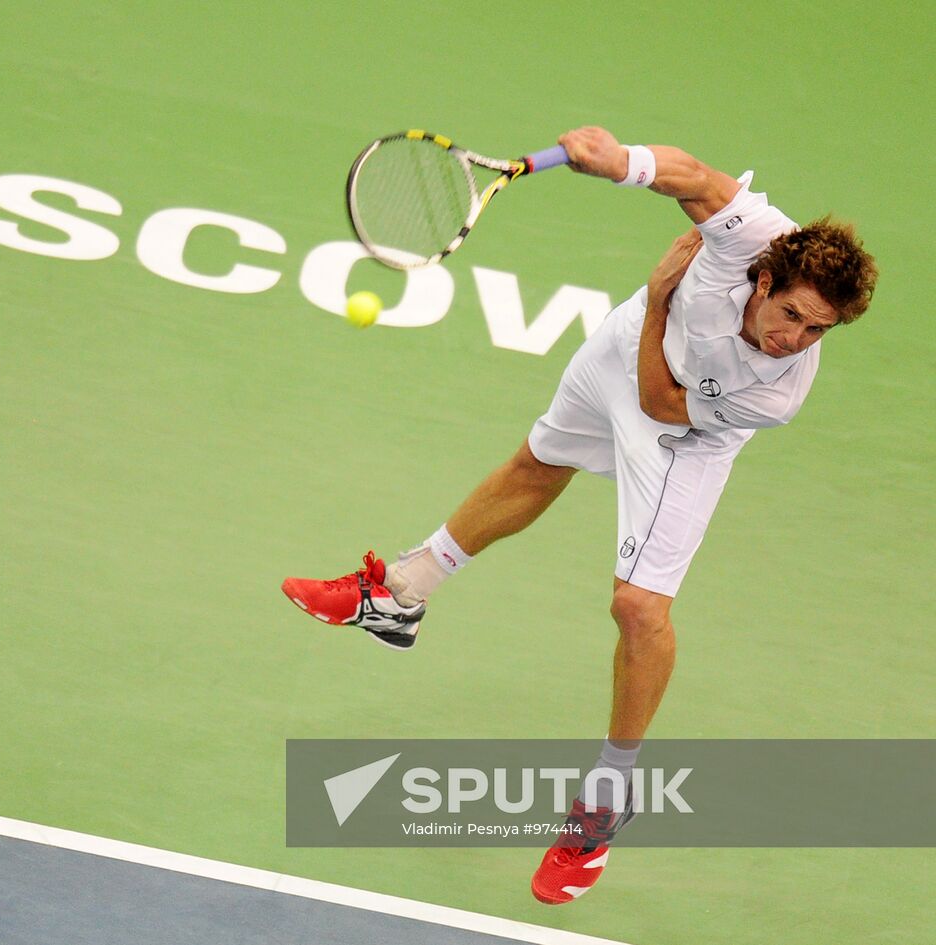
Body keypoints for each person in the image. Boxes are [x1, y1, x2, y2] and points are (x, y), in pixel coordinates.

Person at [280, 126, 878, 904]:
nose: (792, 339)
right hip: (627, 343)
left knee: (639, 607)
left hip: (685, 431)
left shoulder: (776, 388)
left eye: (816, 331)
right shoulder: (759, 239)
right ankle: (399, 593)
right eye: (792, 314)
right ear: (765, 279)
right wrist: (619, 163)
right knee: (536, 462)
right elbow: (694, 176)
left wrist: (662, 297)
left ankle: (606, 800)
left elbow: (663, 401)